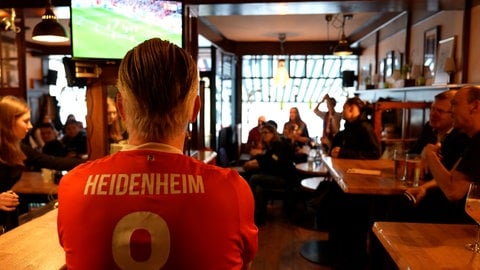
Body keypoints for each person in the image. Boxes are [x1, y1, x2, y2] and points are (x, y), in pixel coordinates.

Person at [57, 38, 258, 269]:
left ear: (121, 107)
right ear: (195, 109)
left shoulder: (73, 186)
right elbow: (245, 264)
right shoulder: (232, 190)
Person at [0, 95, 84, 233]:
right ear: (9, 122)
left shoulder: (17, 147)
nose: (30, 126)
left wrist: (94, 162)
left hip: (7, 219)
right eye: (25, 121)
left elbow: (52, 162)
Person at [392, 90, 469, 223]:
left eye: (440, 111)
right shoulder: (430, 128)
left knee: (399, 208)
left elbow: (450, 180)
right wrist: (423, 157)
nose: (433, 114)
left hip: (445, 200)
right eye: (432, 109)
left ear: (453, 115)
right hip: (425, 188)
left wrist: (429, 156)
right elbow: (412, 155)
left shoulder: (462, 136)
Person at [422, 85, 480, 203]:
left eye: (454, 104)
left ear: (474, 106)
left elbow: (453, 191)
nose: (451, 110)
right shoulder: (474, 139)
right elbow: (452, 178)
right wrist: (424, 187)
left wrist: (430, 154)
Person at [243, 123, 296, 225]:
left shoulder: (279, 145)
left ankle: (248, 209)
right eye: (262, 133)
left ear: (273, 133)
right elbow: (266, 159)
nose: (263, 135)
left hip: (285, 180)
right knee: (259, 189)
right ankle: (258, 217)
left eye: (266, 133)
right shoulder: (271, 146)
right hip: (276, 176)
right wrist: (255, 161)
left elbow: (273, 164)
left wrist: (255, 163)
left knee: (254, 178)